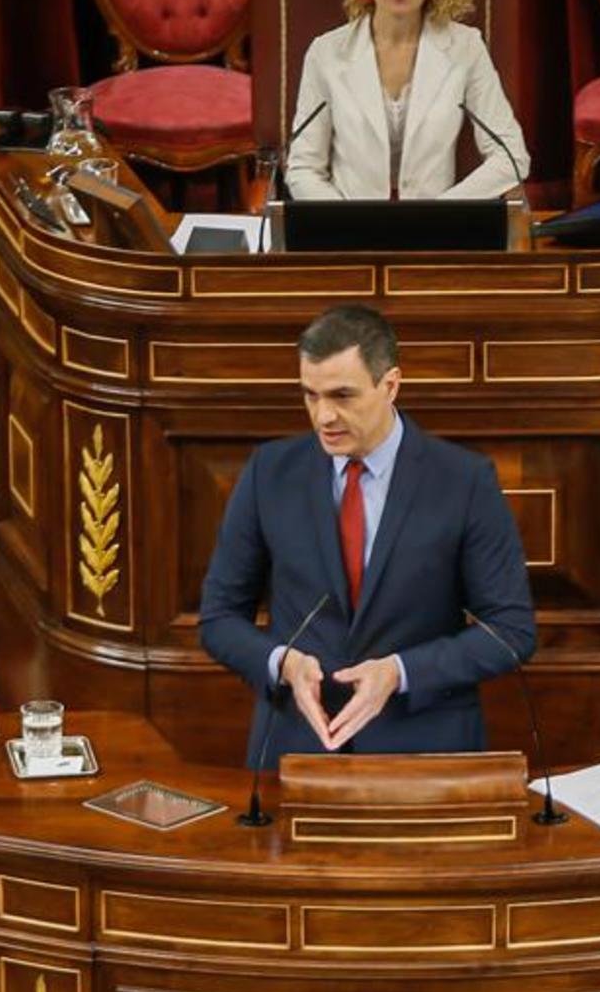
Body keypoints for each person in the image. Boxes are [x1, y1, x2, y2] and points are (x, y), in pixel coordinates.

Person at [199, 305, 535, 761]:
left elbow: (511, 632)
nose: (323, 417)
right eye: (311, 395)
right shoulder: (268, 474)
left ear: (390, 385)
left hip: (425, 752)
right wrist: (283, 664)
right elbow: (219, 620)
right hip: (297, 749)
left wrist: (400, 672)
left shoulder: (464, 480)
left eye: (342, 395)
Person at [284, 0, 529, 200]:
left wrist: (440, 214)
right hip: (350, 234)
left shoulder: (465, 48)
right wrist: (345, 221)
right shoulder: (326, 53)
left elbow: (512, 158)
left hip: (434, 237)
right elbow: (302, 167)